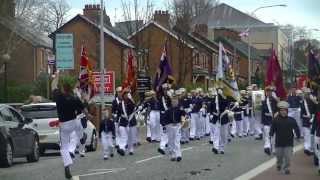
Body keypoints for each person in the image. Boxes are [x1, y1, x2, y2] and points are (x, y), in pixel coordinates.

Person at [51, 72, 85, 179]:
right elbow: (83, 109)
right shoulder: (74, 98)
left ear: (62, 89)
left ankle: (67, 166)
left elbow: (53, 86)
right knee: (79, 125)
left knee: (64, 147)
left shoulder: (59, 97)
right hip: (73, 122)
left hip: (64, 124)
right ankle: (82, 137)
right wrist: (88, 115)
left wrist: (56, 76)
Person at [270, 101, 300, 175]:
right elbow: (272, 129)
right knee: (279, 156)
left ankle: (286, 168)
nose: (283, 112)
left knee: (288, 157)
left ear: (287, 111)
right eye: (281, 110)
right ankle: (279, 164)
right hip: (278, 142)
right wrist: (270, 134)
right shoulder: (275, 120)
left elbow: (296, 128)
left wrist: (298, 136)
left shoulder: (291, 120)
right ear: (279, 111)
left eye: (284, 110)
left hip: (289, 142)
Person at [166, 90, 185, 162]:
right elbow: (165, 118)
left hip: (177, 125)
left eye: (176, 100)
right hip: (170, 126)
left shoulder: (180, 108)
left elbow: (183, 114)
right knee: (171, 141)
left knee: (177, 141)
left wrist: (183, 120)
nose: (175, 101)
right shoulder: (169, 109)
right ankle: (173, 155)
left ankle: (179, 155)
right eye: (173, 100)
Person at [261, 86, 279, 155]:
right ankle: (267, 147)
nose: (269, 93)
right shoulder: (264, 101)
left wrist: (277, 114)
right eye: (267, 91)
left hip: (274, 120)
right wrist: (262, 122)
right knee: (267, 134)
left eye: (270, 91)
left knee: (274, 136)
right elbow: (262, 112)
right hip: (266, 120)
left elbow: (279, 109)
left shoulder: (275, 101)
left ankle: (274, 148)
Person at [311, 104, 320, 175]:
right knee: (318, 151)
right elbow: (314, 123)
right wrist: (312, 132)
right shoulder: (317, 113)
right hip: (318, 134)